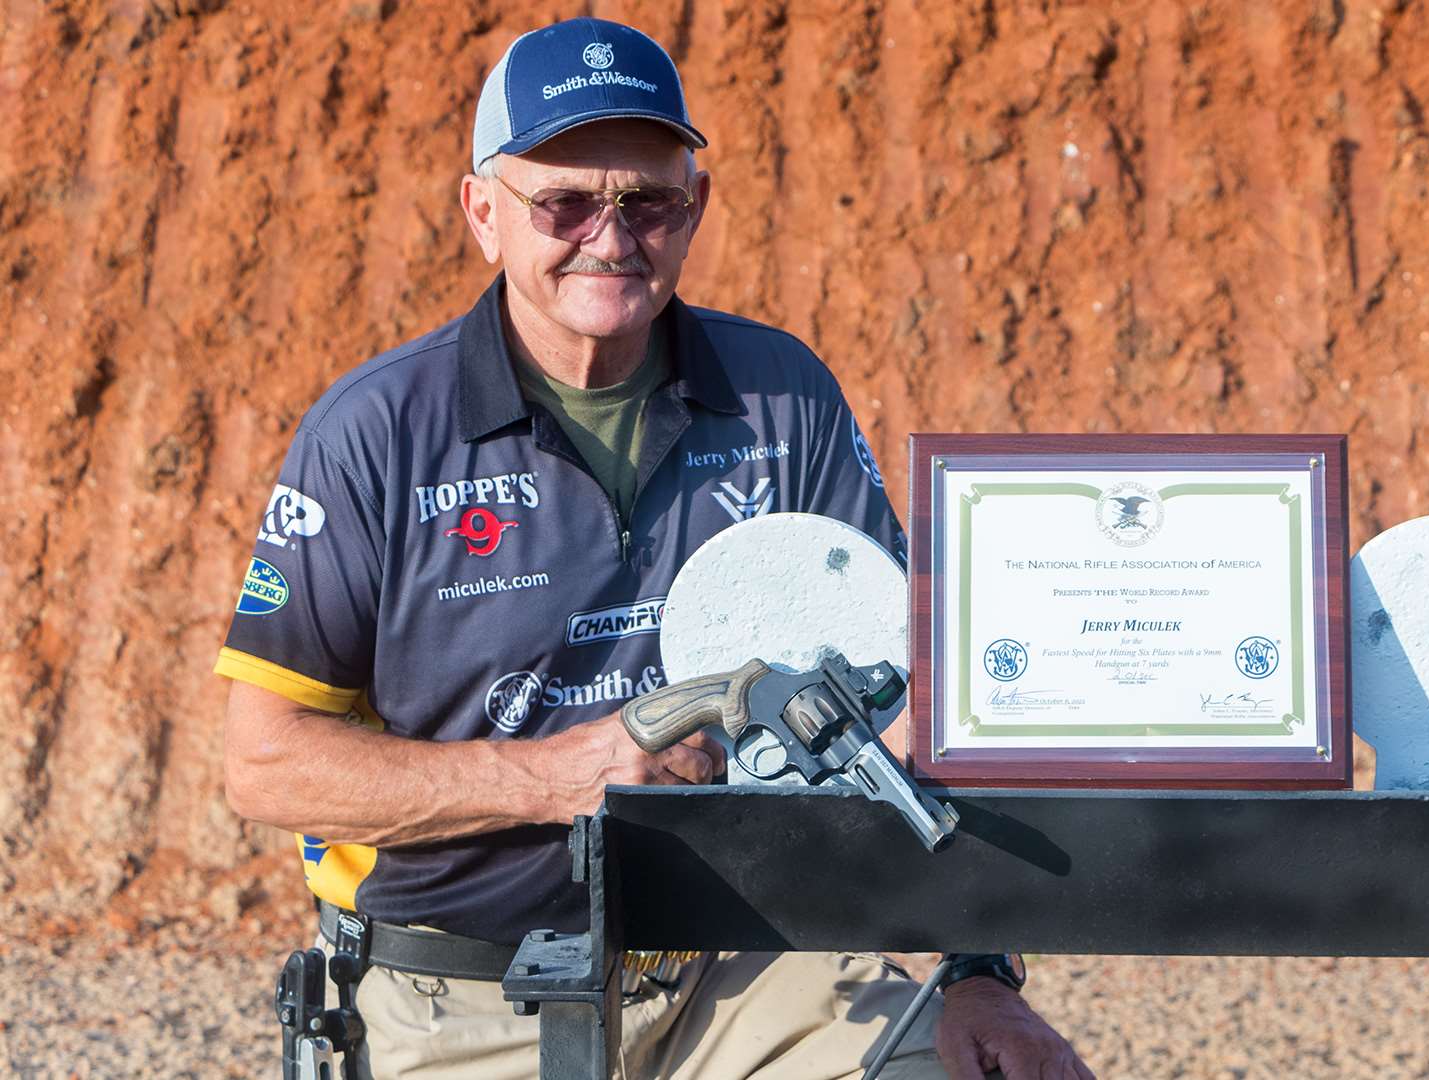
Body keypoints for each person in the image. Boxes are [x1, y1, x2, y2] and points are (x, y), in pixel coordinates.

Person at [217, 17, 1091, 1080]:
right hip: (460, 993)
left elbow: (909, 709)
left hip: (741, 965)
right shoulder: (373, 434)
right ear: (482, 213)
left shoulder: (782, 398)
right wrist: (550, 780)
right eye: (566, 203)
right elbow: (261, 763)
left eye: (648, 202)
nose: (611, 235)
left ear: (695, 210)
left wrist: (977, 974)